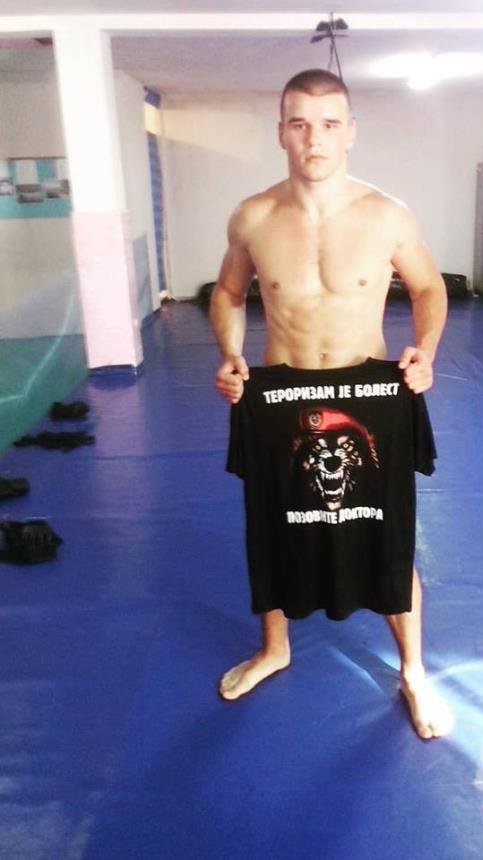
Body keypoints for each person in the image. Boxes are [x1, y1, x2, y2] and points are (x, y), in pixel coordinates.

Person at [209, 68, 454, 739]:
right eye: (298, 123)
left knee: (386, 533)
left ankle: (412, 670)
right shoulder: (254, 216)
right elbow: (227, 293)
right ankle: (274, 648)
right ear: (281, 132)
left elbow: (428, 288)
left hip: (368, 399)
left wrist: (425, 350)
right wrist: (229, 353)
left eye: (327, 124)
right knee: (273, 529)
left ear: (350, 133)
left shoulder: (386, 215)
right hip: (279, 398)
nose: (312, 138)